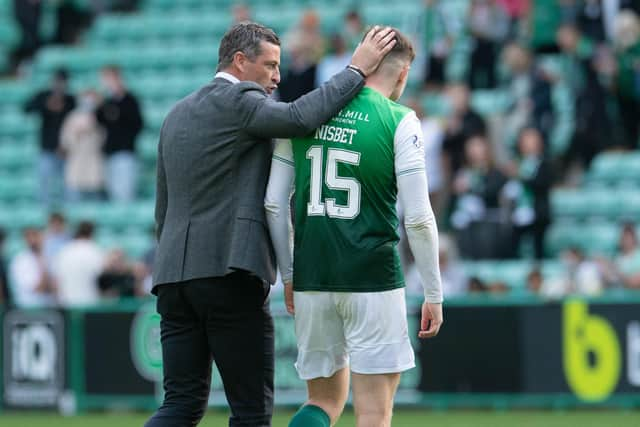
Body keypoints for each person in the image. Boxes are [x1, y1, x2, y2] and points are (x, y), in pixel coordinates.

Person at [146, 22, 397, 427]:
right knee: (250, 412)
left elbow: (164, 207)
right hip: (229, 272)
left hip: (174, 278)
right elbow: (299, 118)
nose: (277, 77)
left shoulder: (176, 114)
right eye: (270, 65)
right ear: (241, 62)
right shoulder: (239, 99)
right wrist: (356, 71)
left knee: (180, 405)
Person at [265, 29, 443, 427]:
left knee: (322, 403)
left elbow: (274, 204)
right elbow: (417, 216)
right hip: (373, 278)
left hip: (313, 277)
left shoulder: (305, 112)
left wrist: (290, 275)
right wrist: (433, 292)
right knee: (374, 414)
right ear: (403, 73)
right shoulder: (400, 120)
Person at [24, 68, 76, 207]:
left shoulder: (70, 100)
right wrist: (45, 105)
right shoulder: (44, 96)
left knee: (67, 184)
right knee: (44, 182)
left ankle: (66, 209)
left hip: (65, 150)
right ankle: (44, 208)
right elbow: (27, 108)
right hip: (46, 148)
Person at [96, 65, 144, 202]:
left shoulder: (130, 100)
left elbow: (138, 124)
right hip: (109, 153)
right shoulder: (105, 102)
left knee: (124, 194)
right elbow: (98, 121)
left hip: (125, 152)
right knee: (111, 194)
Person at [505, 127, 552, 259]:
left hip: (538, 213)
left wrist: (520, 176)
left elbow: (541, 184)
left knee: (538, 248)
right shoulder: (519, 163)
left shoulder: (544, 162)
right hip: (519, 211)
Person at [60, 89, 106, 201]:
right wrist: (78, 133)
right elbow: (65, 140)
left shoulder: (101, 116)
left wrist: (94, 127)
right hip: (76, 160)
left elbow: (105, 139)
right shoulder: (72, 117)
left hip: (94, 160)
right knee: (75, 194)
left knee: (95, 194)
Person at [53, 221, 104, 307]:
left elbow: (56, 280)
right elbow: (101, 277)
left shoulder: (64, 251)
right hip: (89, 303)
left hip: (66, 303)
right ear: (92, 233)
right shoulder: (95, 251)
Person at [9, 227, 56, 307]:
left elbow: (55, 288)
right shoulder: (21, 261)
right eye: (30, 236)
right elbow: (38, 289)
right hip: (28, 309)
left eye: (36, 236)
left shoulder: (49, 257)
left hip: (49, 307)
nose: (34, 240)